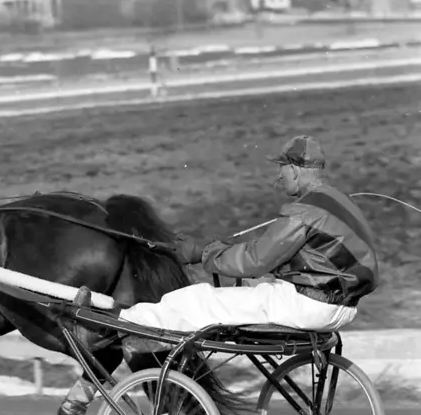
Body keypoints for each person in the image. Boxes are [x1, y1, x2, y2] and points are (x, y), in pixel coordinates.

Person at [99, 135, 380, 334]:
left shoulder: (304, 212)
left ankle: (123, 319)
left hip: (309, 306)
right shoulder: (340, 200)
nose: (279, 177)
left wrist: (202, 253)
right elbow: (283, 254)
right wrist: (224, 250)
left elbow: (255, 261)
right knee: (246, 288)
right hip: (342, 307)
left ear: (294, 169)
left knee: (198, 300)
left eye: (281, 169)